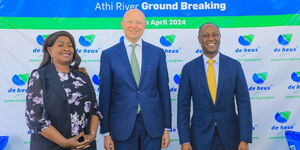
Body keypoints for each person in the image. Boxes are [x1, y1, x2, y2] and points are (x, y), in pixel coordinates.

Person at [99, 9, 172, 150]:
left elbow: (164, 91)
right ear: (122, 24)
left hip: (153, 126)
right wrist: (106, 132)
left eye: (139, 22)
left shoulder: (157, 53)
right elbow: (105, 95)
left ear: (145, 25)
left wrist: (166, 128)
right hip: (121, 127)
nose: (134, 26)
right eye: (130, 22)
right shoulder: (109, 55)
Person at [177, 23, 252, 150]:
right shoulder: (189, 69)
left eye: (215, 35)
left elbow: (244, 104)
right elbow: (183, 107)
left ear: (220, 37)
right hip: (199, 138)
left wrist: (244, 138)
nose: (211, 39)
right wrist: (184, 140)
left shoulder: (234, 66)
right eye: (206, 35)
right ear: (199, 39)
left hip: (231, 137)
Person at [25, 31, 102, 150]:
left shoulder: (82, 76)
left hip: (84, 145)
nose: (66, 48)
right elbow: (35, 118)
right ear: (49, 50)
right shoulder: (39, 76)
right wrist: (64, 142)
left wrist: (91, 135)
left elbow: (95, 109)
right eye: (60, 45)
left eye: (70, 45)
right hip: (51, 146)